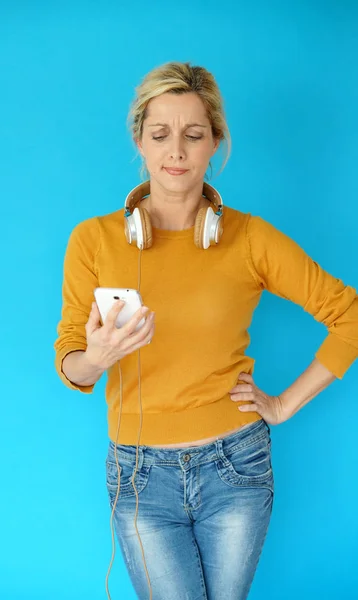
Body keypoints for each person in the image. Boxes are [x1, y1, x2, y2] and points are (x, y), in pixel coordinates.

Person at [53, 61, 358, 599]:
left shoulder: (250, 238)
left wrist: (283, 405)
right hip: (139, 475)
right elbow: (71, 364)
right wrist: (97, 357)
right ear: (139, 142)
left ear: (215, 142)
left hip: (235, 467)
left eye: (194, 135)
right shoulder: (92, 241)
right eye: (160, 135)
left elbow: (349, 314)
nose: (176, 152)